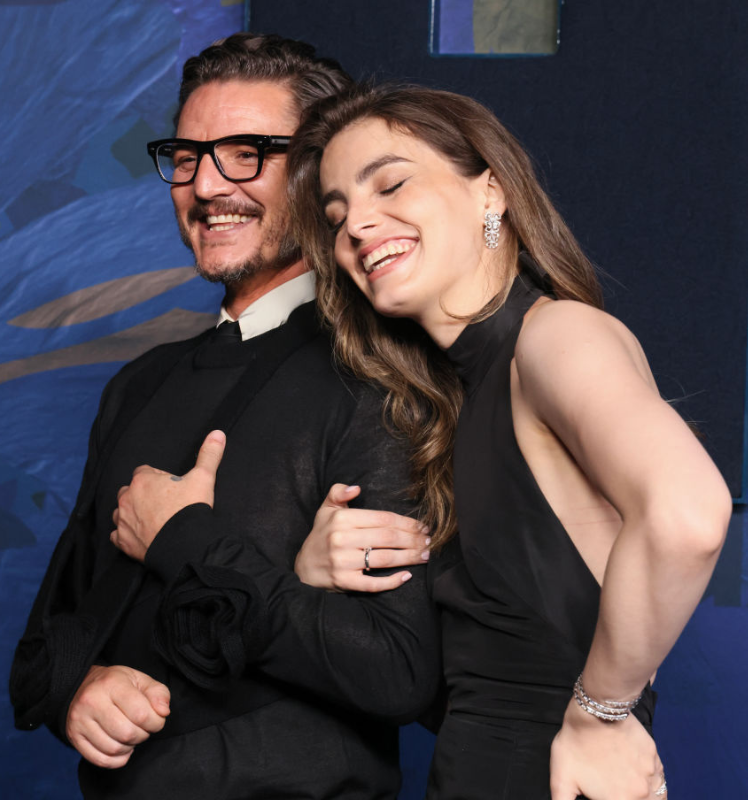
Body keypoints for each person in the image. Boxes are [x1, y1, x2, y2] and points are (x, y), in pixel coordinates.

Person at [8, 34, 440, 799]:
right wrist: (79, 687)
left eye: (246, 154)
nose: (206, 186)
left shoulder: (378, 374)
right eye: (186, 157)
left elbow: (396, 674)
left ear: (321, 171)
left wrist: (185, 540)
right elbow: (45, 639)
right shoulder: (138, 385)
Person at [285, 84, 730, 799]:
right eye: (337, 217)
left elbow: (688, 515)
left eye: (390, 184)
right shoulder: (463, 397)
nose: (358, 226)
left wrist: (601, 717)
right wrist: (314, 576)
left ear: (489, 192)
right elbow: (449, 684)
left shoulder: (555, 337)